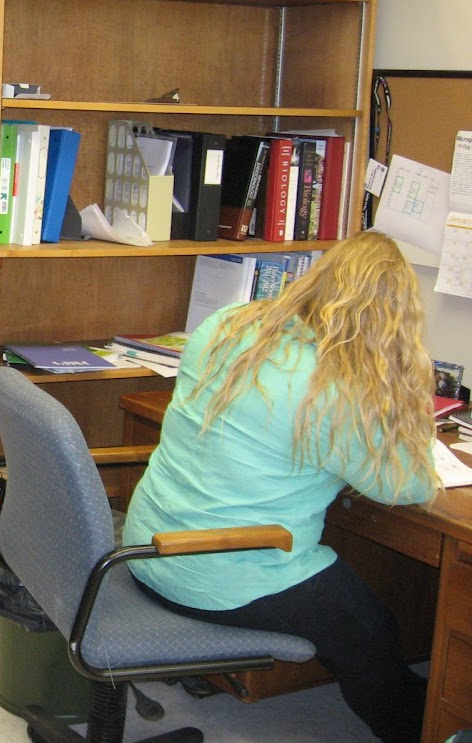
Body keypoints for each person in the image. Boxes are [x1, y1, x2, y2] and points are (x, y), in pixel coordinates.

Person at [122, 231, 440, 743]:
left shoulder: (227, 325)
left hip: (145, 550)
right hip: (220, 578)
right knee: (370, 630)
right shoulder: (341, 390)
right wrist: (408, 403)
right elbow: (407, 484)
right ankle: (422, 729)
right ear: (390, 320)